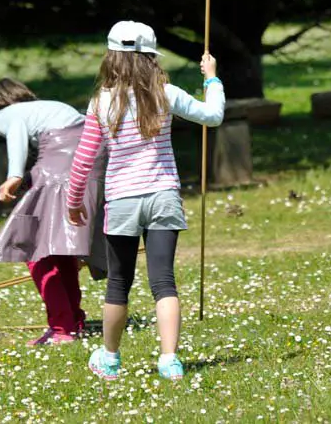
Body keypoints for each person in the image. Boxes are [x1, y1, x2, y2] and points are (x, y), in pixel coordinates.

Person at [67, 21, 225, 380]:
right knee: (164, 281)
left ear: (111, 57)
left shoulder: (100, 102)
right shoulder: (165, 93)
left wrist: (74, 201)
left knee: (118, 283)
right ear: (152, 58)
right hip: (163, 195)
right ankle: (169, 360)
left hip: (122, 200)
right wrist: (211, 79)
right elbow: (213, 116)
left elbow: (84, 159)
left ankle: (110, 358)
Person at [0, 78, 107, 346]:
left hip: (62, 157)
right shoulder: (47, 107)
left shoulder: (5, 115)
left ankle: (62, 329)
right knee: (60, 249)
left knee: (36, 251)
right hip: (93, 154)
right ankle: (73, 323)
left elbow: (17, 131)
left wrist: (14, 176)